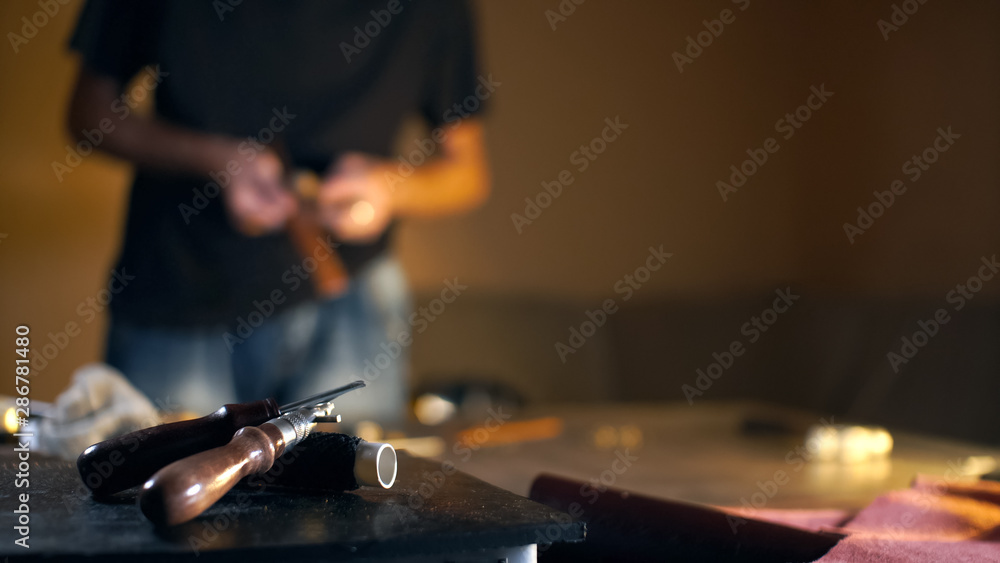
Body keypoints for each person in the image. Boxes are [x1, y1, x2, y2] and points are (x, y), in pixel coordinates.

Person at [66, 1, 490, 425]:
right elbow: (91, 114)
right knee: (155, 478)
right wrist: (215, 160)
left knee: (346, 484)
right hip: (176, 285)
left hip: (353, 302)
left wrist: (389, 187)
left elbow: (467, 171)